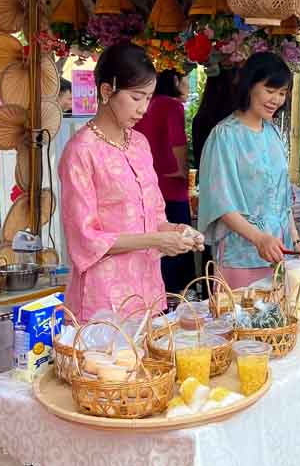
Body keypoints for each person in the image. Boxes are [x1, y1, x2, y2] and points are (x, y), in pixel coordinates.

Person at [58, 44, 201, 320]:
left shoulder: (139, 144)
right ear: (107, 91)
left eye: (148, 98)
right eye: (136, 98)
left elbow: (154, 216)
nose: (143, 109)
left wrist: (177, 231)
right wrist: (157, 239)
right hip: (103, 302)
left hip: (148, 293)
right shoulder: (80, 151)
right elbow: (85, 239)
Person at [198, 52, 299, 289]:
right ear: (249, 86)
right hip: (240, 257)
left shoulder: (273, 133)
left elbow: (283, 199)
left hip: (280, 253)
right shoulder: (224, 135)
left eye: (282, 93)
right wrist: (259, 238)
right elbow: (221, 204)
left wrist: (295, 239)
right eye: (270, 90)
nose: (276, 100)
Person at [135, 68, 195, 294]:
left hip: (147, 188)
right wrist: (181, 168)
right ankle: (176, 297)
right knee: (177, 248)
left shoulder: (146, 106)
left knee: (153, 249)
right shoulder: (171, 106)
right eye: (186, 82)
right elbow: (177, 141)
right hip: (171, 186)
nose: (187, 88)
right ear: (176, 80)